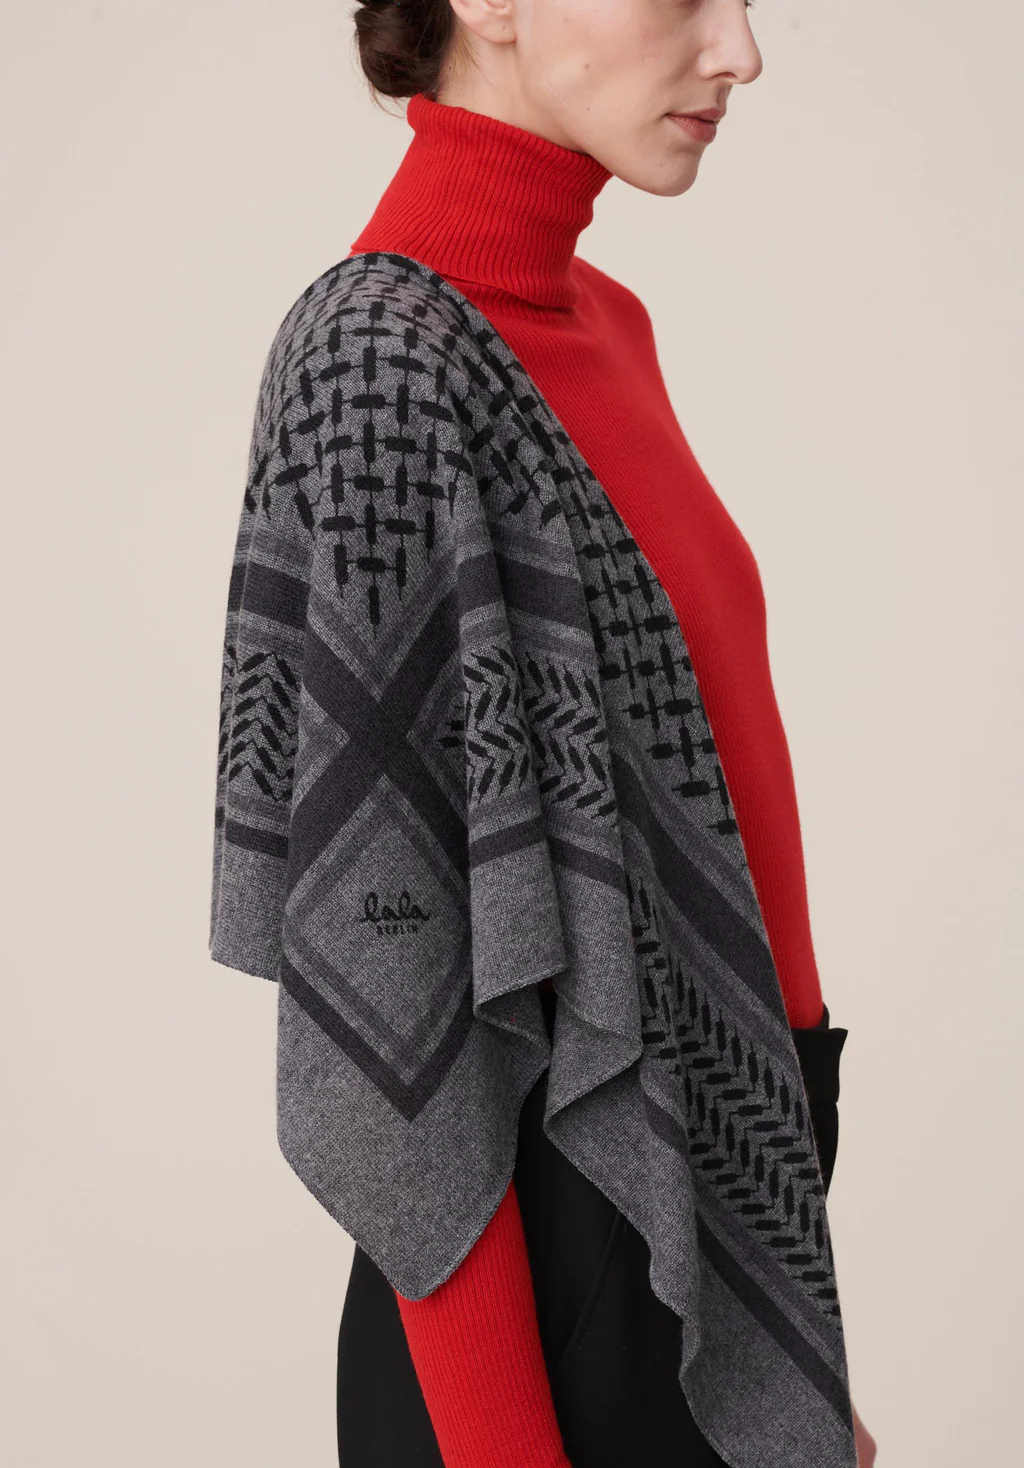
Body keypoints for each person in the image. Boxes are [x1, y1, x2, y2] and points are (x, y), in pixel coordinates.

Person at [211, 2, 877, 1465]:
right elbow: (405, 1033)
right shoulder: (381, 368)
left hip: (708, 1218)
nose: (740, 51)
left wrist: (782, 1361)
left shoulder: (603, 322)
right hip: (532, 1260)